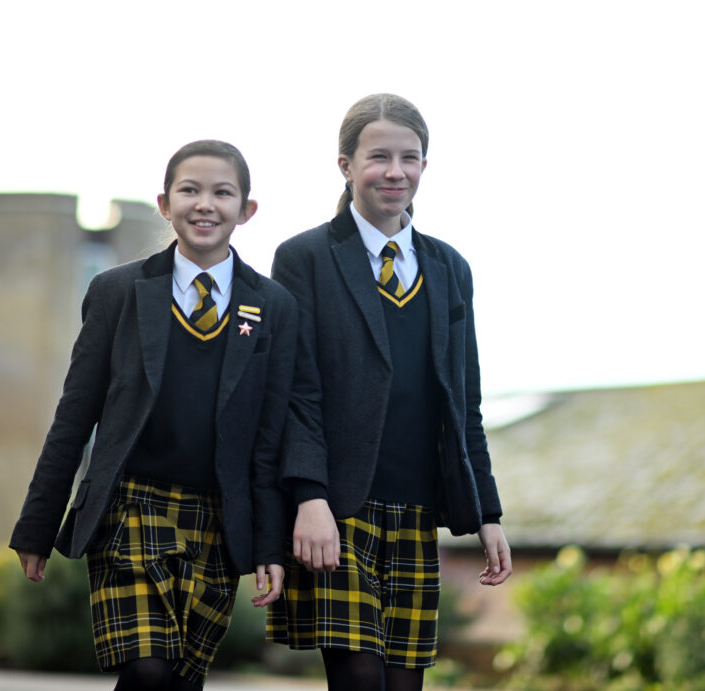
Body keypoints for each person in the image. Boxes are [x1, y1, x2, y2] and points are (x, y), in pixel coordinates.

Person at [10, 140, 297, 691]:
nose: (205, 204)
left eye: (222, 192)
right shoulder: (116, 292)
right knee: (147, 669)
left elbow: (268, 442)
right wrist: (38, 524)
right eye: (189, 190)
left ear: (247, 210)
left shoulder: (274, 306)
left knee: (182, 681)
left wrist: (268, 545)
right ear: (165, 204)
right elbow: (74, 418)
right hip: (130, 510)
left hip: (217, 520)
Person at [267, 94, 512, 691]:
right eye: (379, 157)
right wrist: (309, 497)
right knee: (359, 681)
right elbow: (295, 394)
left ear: (425, 165)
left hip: (417, 514)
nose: (395, 172)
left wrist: (487, 512)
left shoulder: (450, 268)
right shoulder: (303, 259)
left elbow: (464, 403)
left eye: (410, 157)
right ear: (346, 165)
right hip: (338, 512)